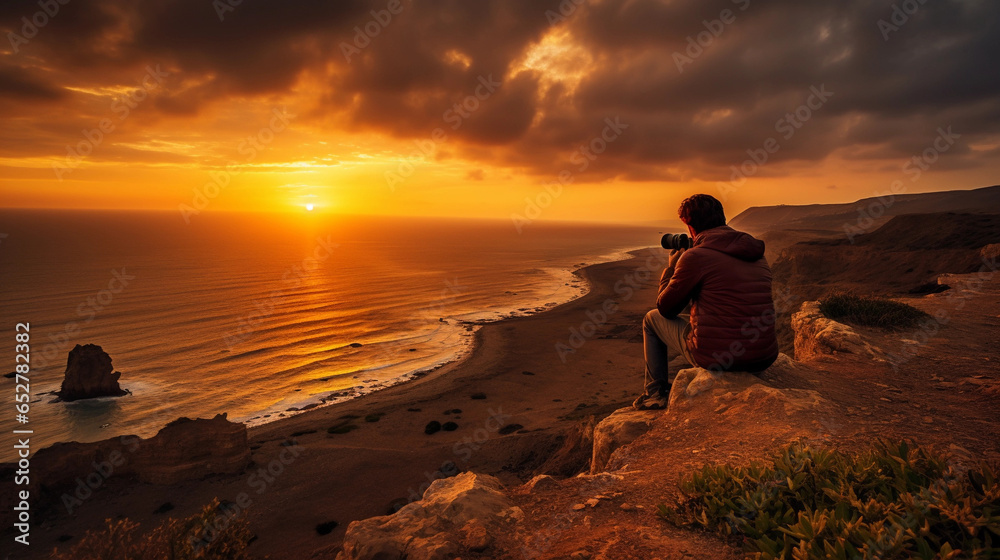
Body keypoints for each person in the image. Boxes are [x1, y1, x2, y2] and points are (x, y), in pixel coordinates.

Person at [633, 194, 779, 410]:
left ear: (690, 225)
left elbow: (666, 308)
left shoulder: (696, 257)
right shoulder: (755, 252)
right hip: (763, 357)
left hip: (719, 359)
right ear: (722, 218)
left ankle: (655, 394)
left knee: (651, 319)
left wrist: (672, 268)